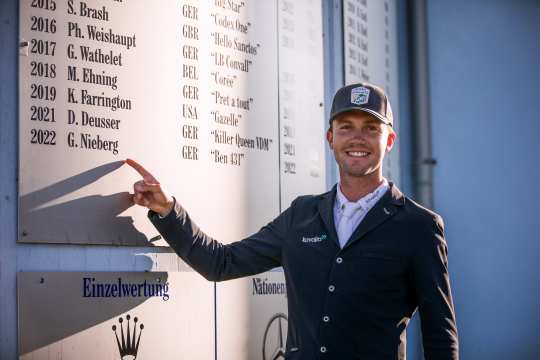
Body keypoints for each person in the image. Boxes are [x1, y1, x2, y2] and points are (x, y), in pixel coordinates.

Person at [127, 82, 459, 359]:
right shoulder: (302, 215)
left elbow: (440, 337)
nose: (357, 138)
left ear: (389, 141)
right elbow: (221, 263)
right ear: (330, 138)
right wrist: (168, 210)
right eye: (346, 127)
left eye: (371, 128)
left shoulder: (419, 226)